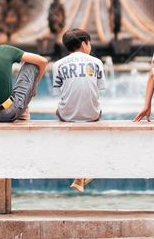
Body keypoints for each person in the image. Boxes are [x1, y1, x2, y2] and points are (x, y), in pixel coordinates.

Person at [53, 28, 106, 192]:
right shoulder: (96, 62)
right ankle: (85, 173)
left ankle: (79, 173)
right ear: (84, 44)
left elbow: (59, 93)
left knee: (60, 113)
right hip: (92, 115)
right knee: (94, 116)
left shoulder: (58, 64)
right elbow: (99, 88)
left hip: (68, 116)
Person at [0, 23, 47, 123]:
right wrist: (34, 86)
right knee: (31, 64)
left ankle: (20, 111)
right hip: (7, 113)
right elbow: (43, 61)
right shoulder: (6, 50)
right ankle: (22, 113)